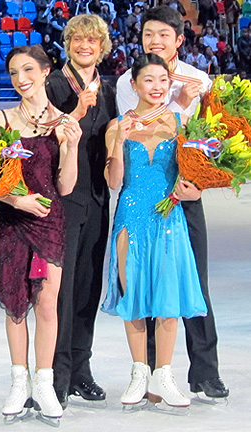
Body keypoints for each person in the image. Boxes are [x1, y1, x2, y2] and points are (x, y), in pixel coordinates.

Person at [116, 5, 229, 400]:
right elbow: (132, 139)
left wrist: (197, 184)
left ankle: (205, 372)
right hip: (142, 196)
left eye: (164, 34)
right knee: (144, 282)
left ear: (180, 39)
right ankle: (148, 374)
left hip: (185, 195)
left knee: (192, 280)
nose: (156, 41)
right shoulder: (128, 83)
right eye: (149, 34)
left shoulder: (201, 79)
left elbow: (213, 141)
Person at [103, 53, 207, 410]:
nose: (158, 87)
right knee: (132, 295)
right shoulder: (117, 126)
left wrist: (191, 189)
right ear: (134, 85)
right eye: (149, 80)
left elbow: (196, 176)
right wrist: (120, 142)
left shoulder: (180, 124)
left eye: (163, 81)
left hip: (168, 219)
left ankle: (164, 373)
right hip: (130, 217)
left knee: (167, 298)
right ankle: (138, 373)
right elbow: (114, 181)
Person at [0, 44, 81, 425]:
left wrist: (72, 146)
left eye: (27, 70)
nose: (20, 79)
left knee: (46, 304)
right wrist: (17, 201)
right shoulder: (2, 120)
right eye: (13, 72)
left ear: (46, 72)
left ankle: (44, 383)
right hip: (13, 220)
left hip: (48, 222)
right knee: (15, 303)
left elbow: (66, 186)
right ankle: (18, 382)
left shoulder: (63, 122)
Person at [45, 13, 116, 408]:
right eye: (77, 40)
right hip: (63, 199)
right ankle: (57, 372)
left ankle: (81, 368)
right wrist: (74, 111)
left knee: (88, 283)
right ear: (68, 44)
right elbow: (43, 139)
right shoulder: (54, 84)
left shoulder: (107, 90)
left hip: (98, 197)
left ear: (101, 48)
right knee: (63, 287)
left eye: (92, 41)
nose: (84, 46)